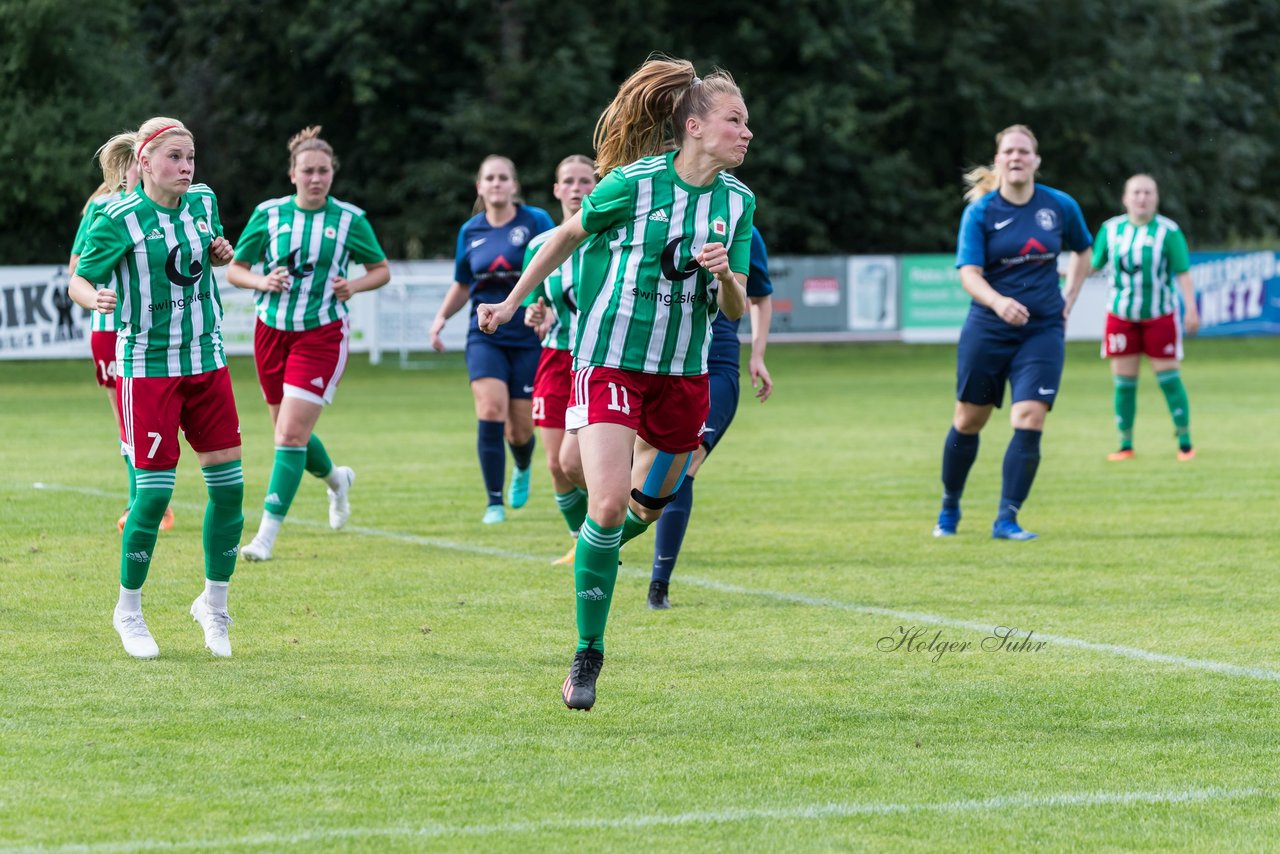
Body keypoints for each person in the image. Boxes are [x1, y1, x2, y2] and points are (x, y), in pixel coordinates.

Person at [477, 55, 754, 710]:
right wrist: (515, 301)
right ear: (694, 126)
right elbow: (564, 237)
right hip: (609, 363)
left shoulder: (739, 204)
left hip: (684, 376)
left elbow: (736, 311)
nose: (747, 133)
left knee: (646, 508)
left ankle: (591, 556)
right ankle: (588, 654)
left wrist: (724, 277)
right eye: (735, 121)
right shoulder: (633, 184)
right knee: (605, 505)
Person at [68, 117, 244, 659]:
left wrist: (220, 250)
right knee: (153, 494)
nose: (186, 166)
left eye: (190, 156)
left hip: (207, 360)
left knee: (230, 488)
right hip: (147, 368)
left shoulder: (203, 201)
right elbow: (78, 276)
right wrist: (90, 298)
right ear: (144, 162)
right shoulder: (115, 216)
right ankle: (129, 610)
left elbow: (211, 249)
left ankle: (214, 606)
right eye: (174, 157)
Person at [229, 126, 391, 561]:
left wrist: (353, 286)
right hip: (271, 331)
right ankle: (337, 479)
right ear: (293, 173)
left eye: (324, 171)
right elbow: (235, 269)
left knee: (290, 434)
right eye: (308, 171)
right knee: (290, 434)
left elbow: (381, 270)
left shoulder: (350, 220)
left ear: (332, 174)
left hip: (321, 334)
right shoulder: (269, 214)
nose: (316, 178)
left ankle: (264, 536)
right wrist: (261, 280)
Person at [933, 124, 1092, 542]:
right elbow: (969, 273)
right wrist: (998, 302)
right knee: (969, 421)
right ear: (998, 160)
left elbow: (1083, 250)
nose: (1017, 157)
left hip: (1042, 331)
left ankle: (1007, 519)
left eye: (1024, 151)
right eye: (1009, 152)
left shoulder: (1059, 206)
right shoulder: (981, 212)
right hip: (988, 329)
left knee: (1030, 416)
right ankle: (950, 504)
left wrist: (1069, 298)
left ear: (1036, 160)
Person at [647, 225, 773, 609]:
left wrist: (757, 355)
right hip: (662, 363)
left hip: (716, 366)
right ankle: (612, 540)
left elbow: (761, 297)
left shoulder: (741, 227)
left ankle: (659, 583)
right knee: (649, 471)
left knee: (686, 462)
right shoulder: (664, 218)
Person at [430, 156, 555, 524]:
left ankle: (521, 463)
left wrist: (547, 309)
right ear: (479, 187)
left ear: (514, 185)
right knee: (489, 411)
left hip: (529, 335)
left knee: (519, 427)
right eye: (490, 178)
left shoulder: (537, 222)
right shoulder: (470, 230)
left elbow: (554, 267)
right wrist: (440, 319)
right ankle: (494, 502)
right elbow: (463, 283)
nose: (497, 183)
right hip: (485, 335)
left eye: (503, 178)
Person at [68, 131, 174, 533]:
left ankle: (151, 498)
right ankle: (142, 503)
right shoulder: (102, 208)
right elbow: (76, 271)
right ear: (130, 166)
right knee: (125, 420)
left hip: (157, 329)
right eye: (133, 162)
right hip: (109, 329)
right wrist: (97, 295)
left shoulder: (173, 208)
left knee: (159, 417)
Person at [1091, 174, 1199, 461]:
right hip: (1121, 316)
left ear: (1156, 198)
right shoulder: (1110, 230)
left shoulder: (1168, 231)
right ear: (1125, 198)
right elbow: (1093, 265)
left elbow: (1183, 272)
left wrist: (1191, 308)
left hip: (1159, 315)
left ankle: (1185, 442)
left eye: (1148, 192)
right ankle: (1125, 445)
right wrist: (1065, 273)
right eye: (1136, 192)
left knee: (1169, 378)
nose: (1142, 198)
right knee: (1124, 382)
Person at [520, 155, 596, 564]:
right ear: (556, 189)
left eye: (585, 180)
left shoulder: (608, 237)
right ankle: (580, 541)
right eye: (568, 181)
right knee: (556, 465)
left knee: (585, 462)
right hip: (555, 358)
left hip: (601, 359)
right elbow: (535, 303)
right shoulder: (538, 245)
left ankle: (602, 534)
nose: (577, 188)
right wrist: (534, 311)